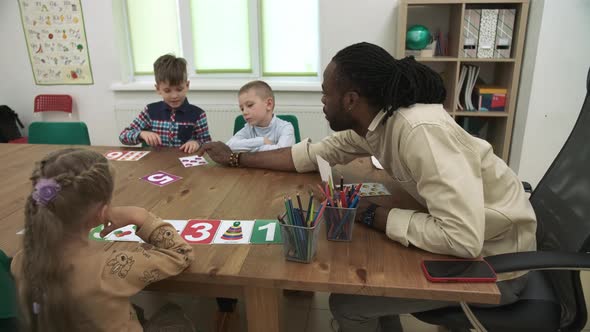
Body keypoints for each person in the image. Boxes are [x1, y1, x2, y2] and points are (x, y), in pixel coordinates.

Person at [196, 42, 537, 331]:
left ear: (351, 100)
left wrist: (371, 213)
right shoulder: (377, 125)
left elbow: (462, 239)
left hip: (498, 267)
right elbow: (308, 155)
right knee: (374, 273)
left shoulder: (418, 130)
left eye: (325, 94)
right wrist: (236, 158)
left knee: (348, 302)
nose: (322, 103)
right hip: (480, 247)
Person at [10, 149, 196, 331]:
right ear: (101, 214)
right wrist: (139, 216)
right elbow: (181, 254)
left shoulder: (21, 261)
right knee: (174, 314)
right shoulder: (111, 270)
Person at [119, 54, 211, 154]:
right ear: (158, 89)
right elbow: (123, 136)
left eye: (179, 89)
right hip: (156, 164)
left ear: (187, 85)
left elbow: (207, 143)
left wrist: (196, 142)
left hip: (184, 165)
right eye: (167, 91)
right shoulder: (150, 111)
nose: (174, 95)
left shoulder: (198, 114)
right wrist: (141, 134)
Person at [226, 80, 295, 152]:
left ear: (269, 104)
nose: (244, 112)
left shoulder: (285, 127)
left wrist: (248, 151)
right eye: (242, 109)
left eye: (250, 105)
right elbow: (229, 146)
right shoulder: (248, 129)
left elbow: (281, 153)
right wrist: (262, 141)